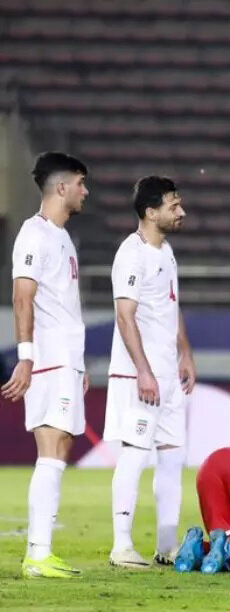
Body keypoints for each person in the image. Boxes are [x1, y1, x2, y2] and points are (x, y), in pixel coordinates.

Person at [3, 152, 89, 578]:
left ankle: (41, 550)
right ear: (61, 187)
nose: (84, 192)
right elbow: (23, 296)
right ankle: (37, 553)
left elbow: (63, 305)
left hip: (65, 360)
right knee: (52, 448)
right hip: (48, 359)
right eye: (80, 183)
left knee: (61, 448)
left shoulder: (62, 237)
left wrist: (79, 364)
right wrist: (25, 359)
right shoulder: (33, 235)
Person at [104, 176, 195, 568]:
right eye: (174, 206)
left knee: (173, 458)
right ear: (150, 212)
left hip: (168, 375)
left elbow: (170, 306)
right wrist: (143, 371)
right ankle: (121, 545)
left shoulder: (167, 252)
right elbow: (125, 316)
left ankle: (166, 546)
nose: (182, 212)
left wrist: (185, 353)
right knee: (135, 454)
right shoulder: (132, 253)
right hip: (139, 376)